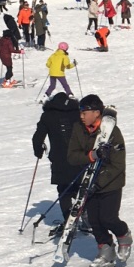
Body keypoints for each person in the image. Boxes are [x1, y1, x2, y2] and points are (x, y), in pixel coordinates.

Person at [68, 95, 132, 267]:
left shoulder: (112, 132)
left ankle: (123, 235)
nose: (81, 116)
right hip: (88, 181)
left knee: (108, 218)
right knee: (95, 221)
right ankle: (106, 252)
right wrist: (90, 156)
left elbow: (118, 164)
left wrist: (100, 181)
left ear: (96, 113)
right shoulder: (78, 129)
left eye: (85, 112)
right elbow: (72, 156)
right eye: (80, 112)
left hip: (111, 182)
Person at [32, 92, 81, 227]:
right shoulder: (77, 112)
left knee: (63, 188)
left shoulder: (48, 115)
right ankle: (85, 215)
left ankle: (68, 219)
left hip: (59, 159)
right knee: (82, 187)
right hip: (80, 156)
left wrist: (38, 151)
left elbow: (37, 137)